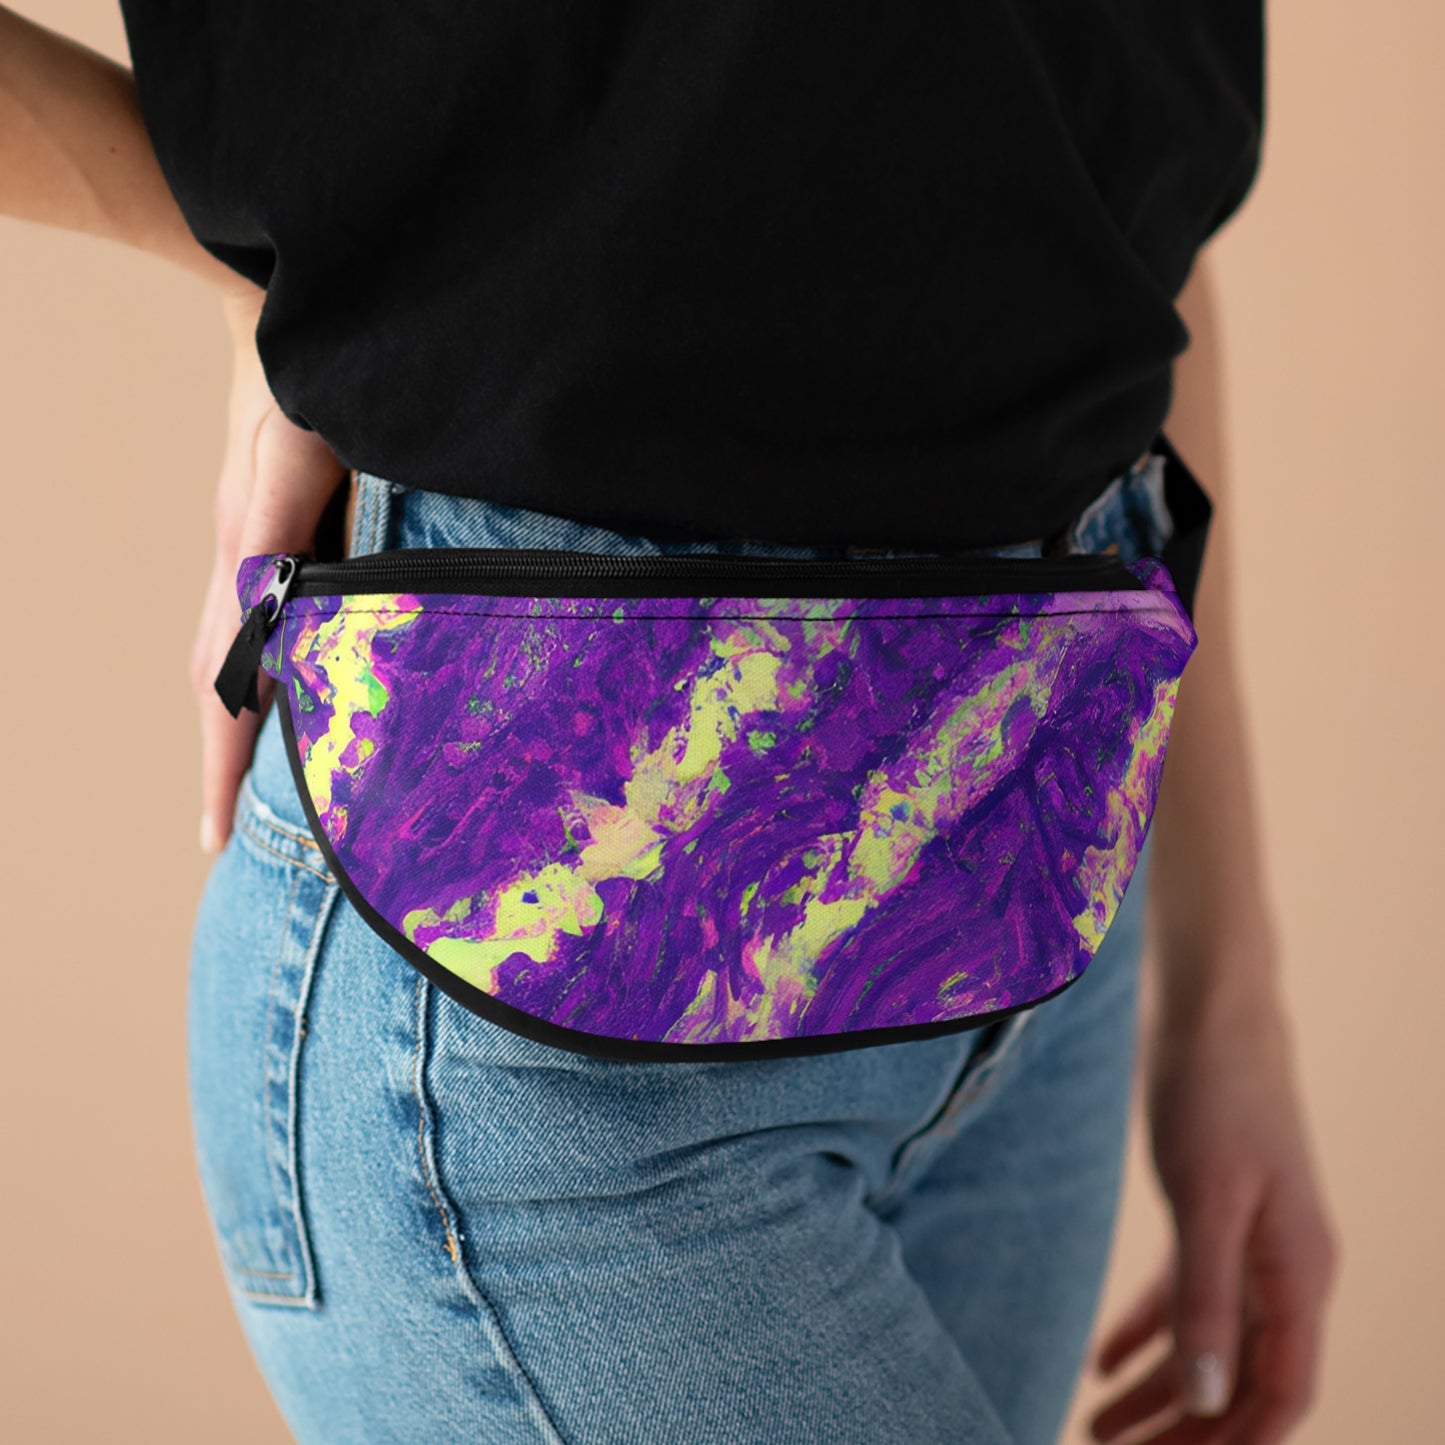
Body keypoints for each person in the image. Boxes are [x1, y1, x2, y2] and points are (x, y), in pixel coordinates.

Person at [1, 6, 1338, 1442]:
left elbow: (1123, 201)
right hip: (541, 992)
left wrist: (1228, 992)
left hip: (1047, 871)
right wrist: (257, 280)